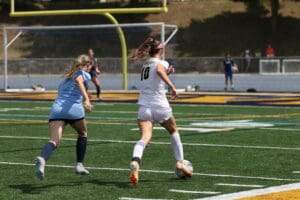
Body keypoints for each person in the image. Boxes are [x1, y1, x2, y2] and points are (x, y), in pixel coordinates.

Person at [129, 37, 192, 186]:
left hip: (144, 106)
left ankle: (135, 161)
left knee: (145, 138)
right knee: (173, 131)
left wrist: (166, 75)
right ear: (161, 50)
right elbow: (159, 70)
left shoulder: (145, 64)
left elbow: (155, 76)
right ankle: (180, 163)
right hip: (160, 105)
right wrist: (172, 86)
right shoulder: (161, 63)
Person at [35, 54, 93, 181]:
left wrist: (85, 95)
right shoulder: (81, 73)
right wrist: (87, 99)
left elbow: (69, 91)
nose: (90, 69)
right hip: (73, 110)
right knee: (83, 133)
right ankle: (79, 164)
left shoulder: (65, 78)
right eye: (90, 66)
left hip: (57, 110)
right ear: (86, 65)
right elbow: (78, 80)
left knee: (54, 141)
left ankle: (43, 159)